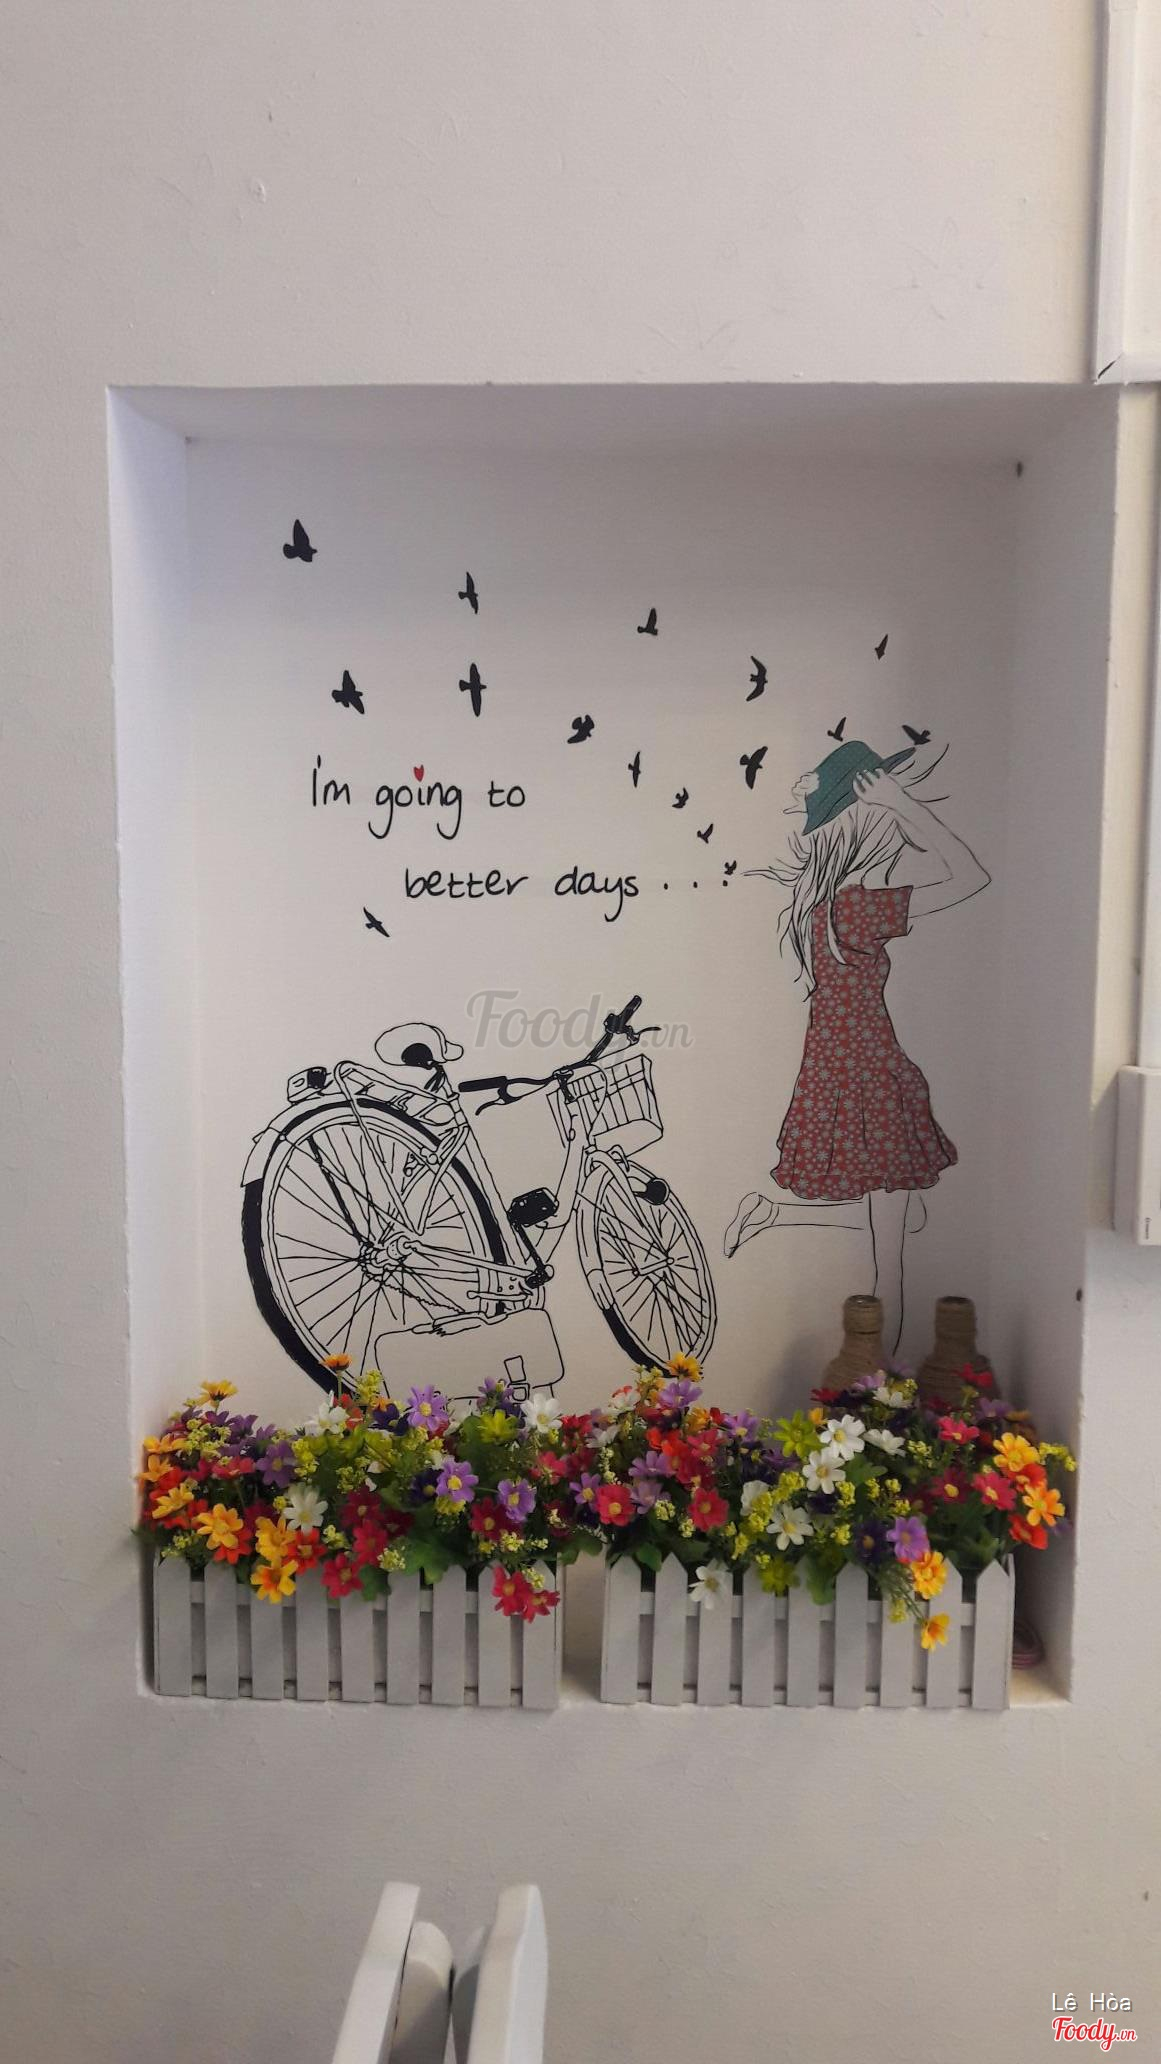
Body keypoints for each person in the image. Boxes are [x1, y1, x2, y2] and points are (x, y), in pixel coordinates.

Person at [724, 738, 989, 1353]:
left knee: (901, 1220)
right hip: (867, 1073)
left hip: (839, 1070)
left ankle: (769, 1213)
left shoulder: (820, 906)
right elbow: (970, 874)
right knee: (889, 1259)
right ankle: (883, 1385)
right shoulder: (858, 910)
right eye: (882, 805)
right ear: (866, 822)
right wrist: (904, 806)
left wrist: (896, 805)